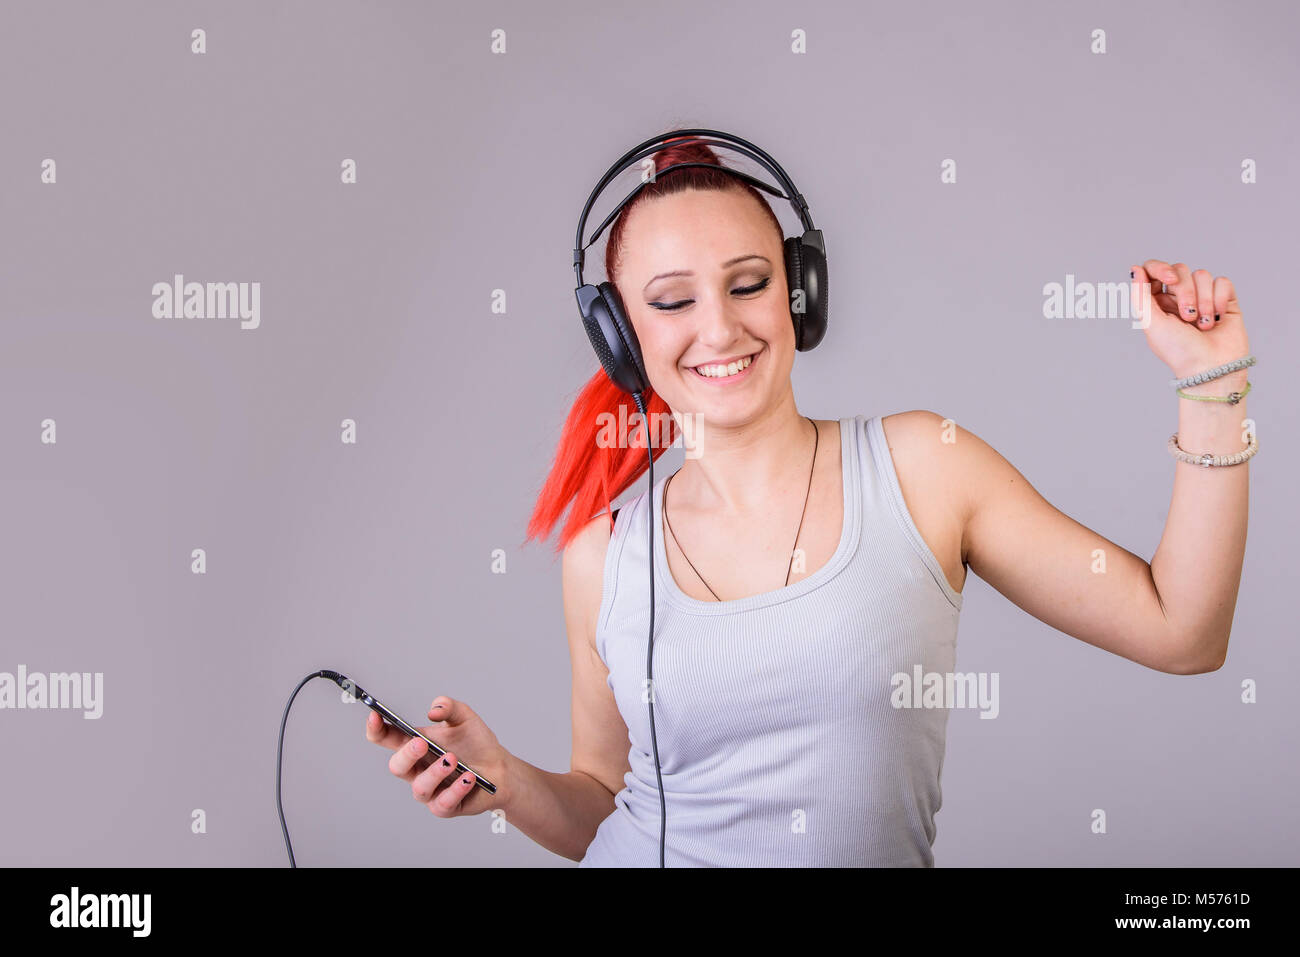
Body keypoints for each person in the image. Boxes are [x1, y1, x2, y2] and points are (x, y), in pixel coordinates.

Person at [364, 132, 1255, 865]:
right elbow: (603, 804)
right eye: (672, 301)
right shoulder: (604, 554)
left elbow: (1184, 632)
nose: (720, 327)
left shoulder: (922, 468)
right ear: (621, 339)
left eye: (748, 283)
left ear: (800, 296)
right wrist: (508, 784)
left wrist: (1211, 385)